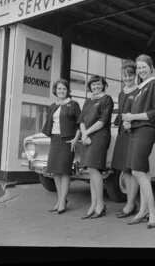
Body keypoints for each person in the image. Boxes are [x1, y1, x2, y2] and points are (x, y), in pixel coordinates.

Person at [122, 54, 155, 229]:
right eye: (139, 68)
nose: (141, 70)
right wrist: (128, 122)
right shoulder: (139, 89)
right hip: (135, 130)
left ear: (151, 67)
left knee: (138, 171)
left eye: (143, 67)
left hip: (147, 130)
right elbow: (132, 113)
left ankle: (153, 213)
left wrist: (133, 117)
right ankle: (143, 211)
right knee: (140, 172)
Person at [42, 79, 81, 214]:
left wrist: (76, 139)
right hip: (55, 140)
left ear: (67, 91)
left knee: (64, 172)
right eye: (59, 89)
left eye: (64, 89)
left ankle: (63, 201)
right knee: (55, 172)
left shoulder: (74, 104)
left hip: (67, 141)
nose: (61, 91)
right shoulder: (53, 105)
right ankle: (60, 200)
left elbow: (79, 124)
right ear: (55, 91)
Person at [77, 75, 114, 219]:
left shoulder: (107, 99)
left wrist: (86, 133)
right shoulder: (88, 100)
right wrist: (84, 134)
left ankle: (100, 204)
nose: (96, 87)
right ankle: (93, 204)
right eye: (93, 85)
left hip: (99, 135)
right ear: (90, 87)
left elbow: (103, 121)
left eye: (98, 84)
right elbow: (81, 119)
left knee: (93, 168)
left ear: (103, 85)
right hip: (87, 136)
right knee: (90, 171)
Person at [111, 60, 140, 218]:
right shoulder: (122, 93)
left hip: (133, 133)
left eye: (130, 75)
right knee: (125, 169)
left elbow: (140, 113)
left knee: (132, 170)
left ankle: (130, 205)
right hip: (123, 133)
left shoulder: (139, 92)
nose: (127, 78)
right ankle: (130, 203)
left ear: (134, 75)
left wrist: (133, 123)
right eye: (124, 75)